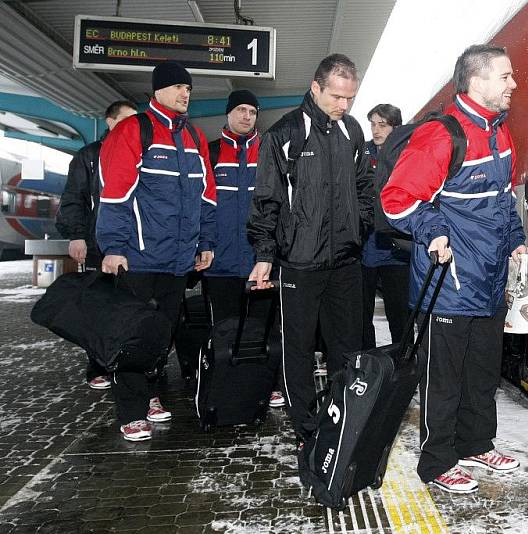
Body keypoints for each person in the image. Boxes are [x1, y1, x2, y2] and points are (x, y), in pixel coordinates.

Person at [381, 45, 526, 494]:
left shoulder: (500, 134)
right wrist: (434, 229)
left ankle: (477, 444)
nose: (513, 84)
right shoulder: (440, 135)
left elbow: (502, 199)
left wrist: (516, 238)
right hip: (448, 280)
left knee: (483, 371)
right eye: (504, 76)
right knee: (443, 378)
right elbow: (398, 199)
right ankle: (438, 460)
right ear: (476, 81)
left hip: (488, 277)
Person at [248, 54, 373, 439]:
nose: (344, 105)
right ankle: (305, 426)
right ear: (316, 87)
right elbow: (267, 199)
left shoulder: (352, 131)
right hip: (300, 260)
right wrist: (265, 255)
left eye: (350, 98)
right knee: (298, 348)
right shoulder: (284, 134)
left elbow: (365, 189)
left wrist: (360, 229)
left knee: (346, 346)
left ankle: (340, 420)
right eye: (336, 96)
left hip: (346, 260)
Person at [96, 61, 217, 442]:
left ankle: (150, 395)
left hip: (177, 261)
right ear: (158, 91)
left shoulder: (195, 138)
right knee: (133, 336)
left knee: (162, 336)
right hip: (138, 257)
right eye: (179, 86)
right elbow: (114, 194)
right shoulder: (135, 130)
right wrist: (113, 248)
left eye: (189, 88)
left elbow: (206, 198)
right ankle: (131, 411)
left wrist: (205, 243)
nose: (186, 93)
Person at [205, 89, 285, 409]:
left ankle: (269, 384)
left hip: (259, 260)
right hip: (220, 261)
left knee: (263, 325)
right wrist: (204, 245)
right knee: (224, 327)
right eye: (240, 110)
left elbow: (281, 204)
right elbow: (202, 205)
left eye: (252, 111)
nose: (246, 116)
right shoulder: (210, 153)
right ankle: (225, 381)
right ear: (228, 113)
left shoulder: (269, 151)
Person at [55, 99, 137, 391]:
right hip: (96, 244)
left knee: (128, 308)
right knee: (100, 307)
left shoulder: (138, 152)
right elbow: (74, 197)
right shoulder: (88, 156)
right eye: (125, 120)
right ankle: (98, 367)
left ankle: (129, 365)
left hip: (130, 247)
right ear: (110, 122)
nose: (131, 126)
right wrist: (77, 235)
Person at [362, 103, 409, 348]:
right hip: (364, 250)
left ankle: (402, 369)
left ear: (396, 128)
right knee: (360, 317)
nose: (376, 130)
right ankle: (367, 368)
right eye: (373, 124)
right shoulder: (361, 154)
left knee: (399, 315)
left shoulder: (406, 156)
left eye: (383, 125)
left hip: (396, 251)